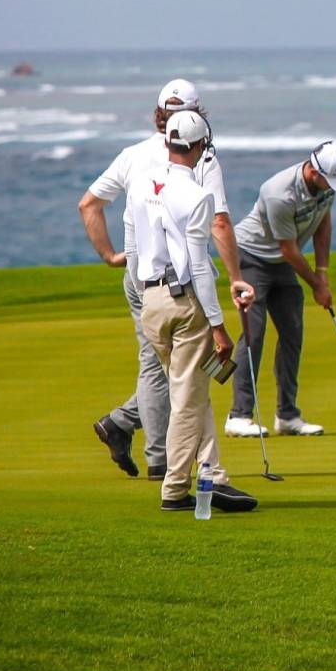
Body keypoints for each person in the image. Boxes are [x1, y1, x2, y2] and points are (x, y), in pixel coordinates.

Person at [79, 79, 251, 480]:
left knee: (158, 364)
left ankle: (123, 425)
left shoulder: (133, 155)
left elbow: (88, 204)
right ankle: (163, 464)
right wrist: (236, 277)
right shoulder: (202, 158)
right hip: (181, 277)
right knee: (173, 370)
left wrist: (109, 255)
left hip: (139, 272)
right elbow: (220, 223)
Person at [128, 111, 256, 512]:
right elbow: (199, 266)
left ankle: (212, 476)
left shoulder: (141, 184)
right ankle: (175, 489)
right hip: (185, 304)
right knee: (187, 399)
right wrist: (218, 326)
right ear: (201, 147)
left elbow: (132, 246)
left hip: (150, 300)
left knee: (193, 393)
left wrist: (145, 297)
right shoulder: (198, 196)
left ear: (168, 141)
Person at [226, 141, 336, 438]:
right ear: (313, 170)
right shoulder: (279, 193)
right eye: (329, 181)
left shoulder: (327, 186)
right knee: (253, 333)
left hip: (282, 261)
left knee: (292, 333)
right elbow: (288, 249)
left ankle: (287, 415)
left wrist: (323, 273)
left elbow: (323, 225)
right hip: (251, 257)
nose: (332, 187)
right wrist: (316, 286)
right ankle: (239, 416)